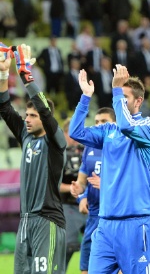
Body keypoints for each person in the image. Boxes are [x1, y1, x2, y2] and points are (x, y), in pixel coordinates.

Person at [69, 65, 150, 273]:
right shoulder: (108, 130)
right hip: (106, 224)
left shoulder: (149, 126)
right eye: (118, 94)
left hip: (137, 223)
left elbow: (128, 127)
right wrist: (85, 97)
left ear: (139, 101)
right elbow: (75, 132)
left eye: (124, 96)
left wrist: (116, 90)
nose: (118, 99)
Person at [0, 43, 67, 273]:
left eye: (33, 115)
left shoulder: (56, 142)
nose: (27, 119)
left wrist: (25, 74)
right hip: (25, 221)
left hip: (47, 221)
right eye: (26, 114)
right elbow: (5, 108)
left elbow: (46, 112)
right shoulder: (26, 137)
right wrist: (2, 73)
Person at [73, 107, 116, 274]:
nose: (99, 125)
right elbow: (82, 180)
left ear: (115, 123)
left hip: (115, 213)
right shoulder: (89, 147)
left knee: (117, 262)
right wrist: (81, 194)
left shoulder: (121, 147)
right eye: (96, 122)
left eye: (103, 121)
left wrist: (105, 183)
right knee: (86, 264)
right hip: (94, 214)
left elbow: (130, 182)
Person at [60, 118, 87, 270]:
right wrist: (70, 188)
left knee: (95, 245)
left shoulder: (89, 151)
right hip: (67, 204)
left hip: (89, 205)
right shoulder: (59, 153)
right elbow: (52, 183)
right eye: (71, 133)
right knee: (68, 245)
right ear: (64, 134)